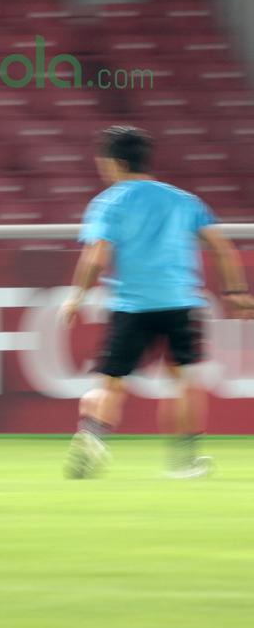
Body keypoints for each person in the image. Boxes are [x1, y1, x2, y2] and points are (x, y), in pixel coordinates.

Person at [60, 125, 254, 479]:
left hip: (131, 306)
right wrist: (236, 294)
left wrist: (76, 296)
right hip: (179, 303)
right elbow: (223, 248)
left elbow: (96, 257)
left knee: (112, 384)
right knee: (183, 381)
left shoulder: (108, 203)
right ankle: (185, 462)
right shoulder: (183, 200)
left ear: (114, 163)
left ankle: (92, 435)